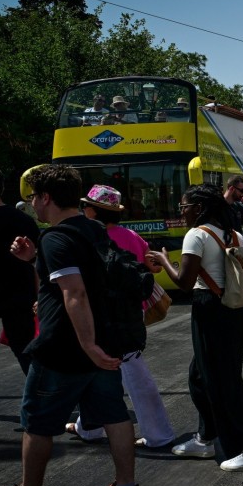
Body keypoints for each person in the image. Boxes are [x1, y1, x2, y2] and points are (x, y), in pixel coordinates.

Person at [0, 165, 144, 486]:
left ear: (46, 198)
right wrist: (32, 261)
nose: (32, 205)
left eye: (33, 198)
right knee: (114, 414)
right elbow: (76, 280)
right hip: (105, 341)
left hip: (65, 348)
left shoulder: (56, 237)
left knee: (37, 421)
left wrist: (86, 345)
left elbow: (75, 293)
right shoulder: (93, 229)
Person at [147, 183, 243, 472]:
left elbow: (185, 283)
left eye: (184, 207)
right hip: (234, 309)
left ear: (199, 208)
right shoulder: (234, 234)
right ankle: (207, 436)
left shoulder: (197, 235)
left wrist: (164, 260)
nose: (182, 212)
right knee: (200, 376)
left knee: (224, 382)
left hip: (210, 308)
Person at [63, 185, 175, 447]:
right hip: (128, 316)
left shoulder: (84, 237)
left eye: (85, 206)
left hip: (97, 317)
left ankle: (156, 435)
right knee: (111, 372)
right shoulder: (132, 237)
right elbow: (150, 268)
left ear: (91, 211)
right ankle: (88, 427)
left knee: (112, 373)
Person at [0, 166, 40, 420]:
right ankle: (41, 401)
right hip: (20, 294)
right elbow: (38, 260)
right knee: (26, 349)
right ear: (2, 188)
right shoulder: (24, 220)